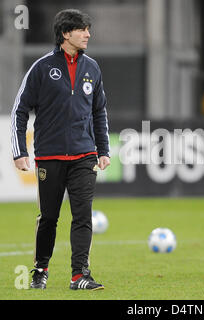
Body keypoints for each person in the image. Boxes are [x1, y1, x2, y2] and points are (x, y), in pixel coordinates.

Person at [10, 9, 110, 290]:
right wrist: (20, 151)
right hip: (49, 156)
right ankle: (40, 269)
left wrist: (103, 149)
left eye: (88, 29)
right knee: (49, 218)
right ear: (66, 33)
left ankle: (80, 275)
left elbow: (99, 111)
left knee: (83, 216)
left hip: (84, 155)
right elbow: (19, 110)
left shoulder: (93, 68)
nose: (88, 34)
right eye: (82, 29)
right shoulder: (41, 68)